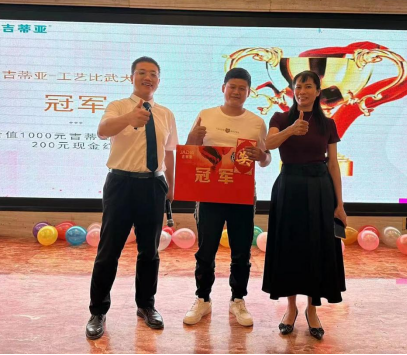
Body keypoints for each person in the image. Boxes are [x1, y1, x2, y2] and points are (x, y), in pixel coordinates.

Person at [86, 56, 178, 340]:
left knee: (149, 252)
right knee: (109, 250)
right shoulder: (118, 106)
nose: (147, 77)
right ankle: (97, 311)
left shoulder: (166, 113)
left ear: (159, 81)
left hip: (153, 185)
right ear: (132, 77)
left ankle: (146, 306)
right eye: (142, 72)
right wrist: (129, 118)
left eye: (153, 74)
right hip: (121, 183)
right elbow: (102, 131)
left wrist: (171, 186)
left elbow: (169, 152)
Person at [183, 68, 272, 327]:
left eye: (242, 88)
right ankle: (202, 298)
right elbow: (190, 151)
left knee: (241, 251)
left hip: (242, 196)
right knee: (206, 250)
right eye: (232, 86)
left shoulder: (256, 122)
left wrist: (261, 156)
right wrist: (192, 139)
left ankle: (238, 299)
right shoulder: (206, 115)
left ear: (249, 92)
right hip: (209, 194)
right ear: (223, 88)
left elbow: (266, 158)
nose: (236, 92)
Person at [262, 70, 347, 339]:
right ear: (293, 90)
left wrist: (340, 204)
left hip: (320, 188)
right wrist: (290, 130)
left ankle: (312, 309)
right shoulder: (280, 118)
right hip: (289, 186)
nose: (302, 91)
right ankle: (290, 308)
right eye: (298, 86)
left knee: (316, 247)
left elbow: (333, 164)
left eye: (308, 86)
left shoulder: (327, 123)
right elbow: (267, 144)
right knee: (289, 246)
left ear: (318, 92)